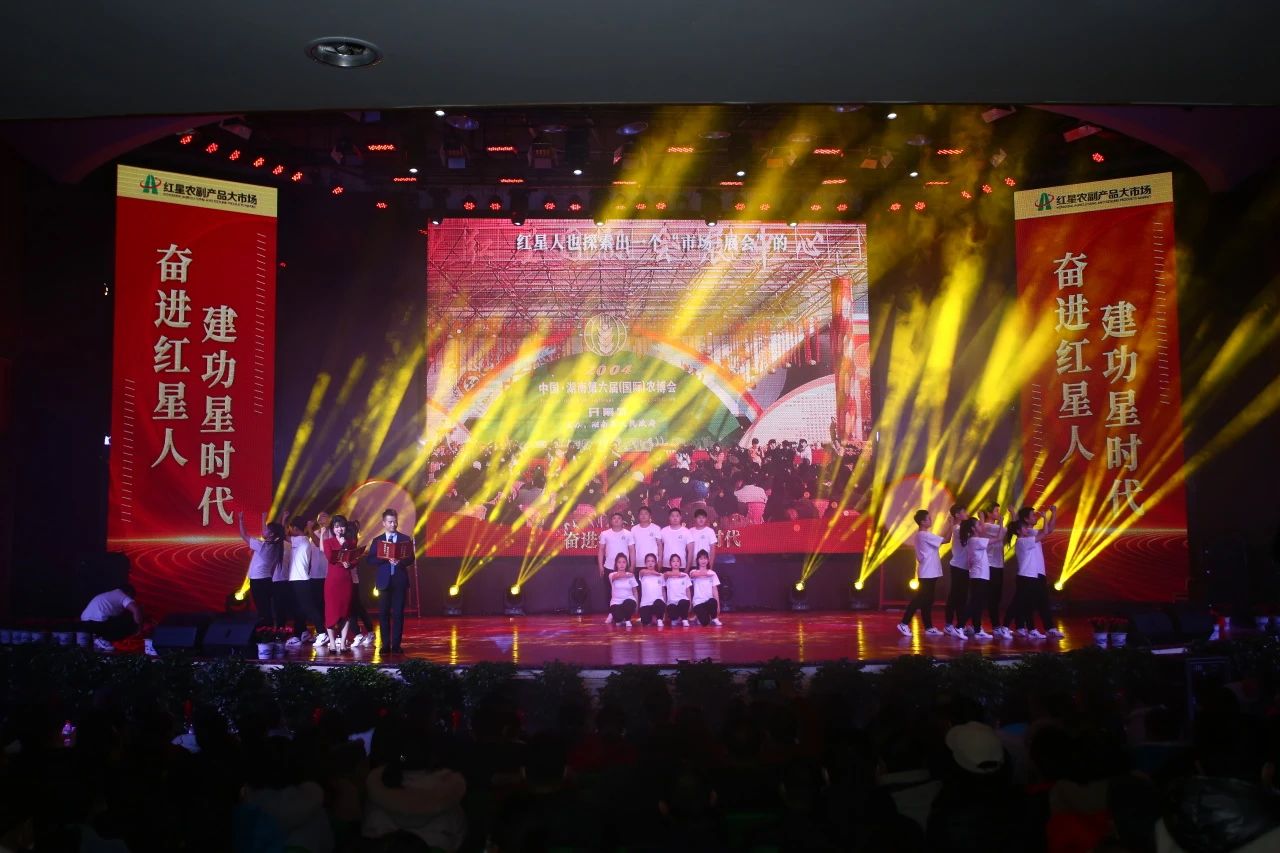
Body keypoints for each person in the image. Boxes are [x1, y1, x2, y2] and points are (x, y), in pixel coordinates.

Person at [365, 508, 415, 654]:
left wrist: (400, 561)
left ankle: (396, 645)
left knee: (398, 614)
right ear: (384, 523)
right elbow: (370, 560)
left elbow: (411, 559)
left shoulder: (405, 538)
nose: (393, 524)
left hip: (399, 581)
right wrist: (384, 558)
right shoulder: (378, 540)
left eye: (395, 521)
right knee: (383, 614)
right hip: (384, 581)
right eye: (390, 522)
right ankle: (385, 644)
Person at [1008, 505, 1060, 639]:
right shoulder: (1027, 534)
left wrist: (1053, 513)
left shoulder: (1031, 532)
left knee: (1042, 601)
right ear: (1026, 520)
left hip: (1038, 572)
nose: (1035, 517)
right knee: (1024, 602)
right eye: (1033, 515)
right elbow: (1016, 526)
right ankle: (1022, 627)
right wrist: (1013, 514)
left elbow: (1049, 530)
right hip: (1029, 574)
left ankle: (1047, 628)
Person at [899, 509, 946, 637]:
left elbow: (942, 540)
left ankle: (928, 627)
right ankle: (904, 623)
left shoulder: (924, 535)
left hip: (930, 571)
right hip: (927, 572)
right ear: (922, 522)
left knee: (928, 600)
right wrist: (952, 524)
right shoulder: (924, 535)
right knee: (920, 598)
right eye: (928, 518)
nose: (931, 520)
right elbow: (946, 540)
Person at [238, 511, 285, 628]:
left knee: (263, 609)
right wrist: (263, 518)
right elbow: (266, 533)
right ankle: (270, 629)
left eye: (267, 530)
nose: (264, 531)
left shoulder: (262, 545)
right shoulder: (276, 547)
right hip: (267, 580)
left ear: (271, 534)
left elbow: (244, 535)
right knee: (266, 607)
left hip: (259, 581)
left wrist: (241, 520)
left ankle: (266, 631)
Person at [322, 514, 358, 652]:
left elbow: (355, 559)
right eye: (336, 527)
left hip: (346, 581)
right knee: (331, 611)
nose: (339, 529)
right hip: (332, 581)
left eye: (342, 526)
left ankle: (343, 643)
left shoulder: (351, 542)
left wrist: (350, 563)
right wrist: (343, 548)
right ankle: (332, 643)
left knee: (346, 612)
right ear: (333, 528)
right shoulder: (328, 542)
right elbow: (330, 558)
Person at [285, 517, 322, 646]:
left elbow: (283, 535)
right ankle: (301, 633)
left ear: (295, 528)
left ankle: (322, 632)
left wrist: (284, 519)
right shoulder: (302, 540)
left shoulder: (300, 539)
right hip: (298, 579)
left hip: (301, 580)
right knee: (299, 609)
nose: (289, 531)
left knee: (309, 608)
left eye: (291, 528)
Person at [80, 584, 144, 651]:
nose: (132, 599)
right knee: (129, 619)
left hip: (85, 621)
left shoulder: (112, 594)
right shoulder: (123, 595)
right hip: (97, 623)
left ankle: (98, 638)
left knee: (120, 617)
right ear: (129, 593)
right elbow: (136, 610)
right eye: (132, 597)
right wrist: (139, 628)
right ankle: (103, 639)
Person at [598, 512, 636, 625]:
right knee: (609, 592)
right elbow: (601, 550)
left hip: (624, 567)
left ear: (622, 521)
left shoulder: (628, 534)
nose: (616, 520)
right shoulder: (605, 534)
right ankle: (611, 613)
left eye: (619, 518)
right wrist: (600, 566)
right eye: (614, 518)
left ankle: (625, 614)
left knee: (625, 591)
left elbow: (632, 550)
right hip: (609, 567)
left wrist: (632, 566)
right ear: (611, 521)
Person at [961, 518, 994, 639]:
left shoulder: (975, 540)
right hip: (978, 575)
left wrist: (981, 521)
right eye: (979, 525)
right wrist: (1001, 522)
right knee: (974, 604)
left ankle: (977, 629)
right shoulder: (975, 540)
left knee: (978, 604)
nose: (981, 526)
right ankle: (959, 626)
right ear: (973, 529)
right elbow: (999, 538)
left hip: (980, 575)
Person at [942, 505, 970, 639]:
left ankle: (960, 624)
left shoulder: (961, 527)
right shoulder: (957, 528)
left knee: (962, 597)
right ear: (957, 515)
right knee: (955, 596)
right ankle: (948, 625)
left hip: (965, 567)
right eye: (964, 511)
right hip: (958, 566)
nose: (967, 513)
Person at [984, 505, 1010, 638]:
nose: (999, 513)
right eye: (996, 511)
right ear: (988, 513)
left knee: (996, 596)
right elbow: (1004, 531)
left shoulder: (996, 527)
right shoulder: (987, 526)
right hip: (989, 565)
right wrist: (1001, 522)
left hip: (998, 564)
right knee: (990, 597)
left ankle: (996, 626)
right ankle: (995, 626)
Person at [689, 550, 723, 626]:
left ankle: (714, 618)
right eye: (701, 558)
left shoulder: (712, 573)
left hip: (709, 601)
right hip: (698, 602)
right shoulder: (693, 571)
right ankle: (699, 615)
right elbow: (693, 575)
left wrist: (718, 605)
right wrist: (706, 574)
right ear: (697, 560)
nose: (703, 561)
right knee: (705, 622)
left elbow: (715, 590)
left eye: (705, 558)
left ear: (708, 560)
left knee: (713, 601)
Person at [607, 553, 639, 628]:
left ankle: (627, 620)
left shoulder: (631, 575)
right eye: (619, 562)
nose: (621, 564)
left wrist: (637, 605)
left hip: (629, 600)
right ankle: (614, 614)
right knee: (618, 620)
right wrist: (628, 575)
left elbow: (635, 591)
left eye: (624, 562)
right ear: (616, 564)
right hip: (616, 602)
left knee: (630, 603)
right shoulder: (612, 575)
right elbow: (617, 576)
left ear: (626, 564)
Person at [637, 553, 667, 627]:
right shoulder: (642, 574)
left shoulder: (661, 576)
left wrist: (664, 607)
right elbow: (643, 571)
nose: (650, 563)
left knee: (659, 602)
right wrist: (655, 573)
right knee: (646, 622)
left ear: (655, 563)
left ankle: (659, 619)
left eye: (652, 561)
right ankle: (653, 617)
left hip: (658, 603)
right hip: (645, 604)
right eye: (648, 561)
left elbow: (663, 591)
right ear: (645, 563)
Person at [663, 555, 692, 626]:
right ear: (670, 563)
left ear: (680, 563)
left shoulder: (685, 575)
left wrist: (690, 603)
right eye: (673, 561)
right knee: (672, 612)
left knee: (683, 602)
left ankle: (684, 619)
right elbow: (665, 574)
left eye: (678, 561)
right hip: (671, 602)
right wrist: (678, 574)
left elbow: (688, 591)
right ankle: (677, 618)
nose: (676, 563)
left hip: (683, 600)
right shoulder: (667, 576)